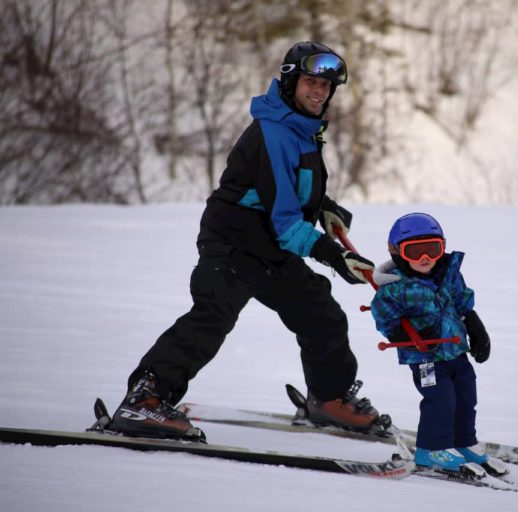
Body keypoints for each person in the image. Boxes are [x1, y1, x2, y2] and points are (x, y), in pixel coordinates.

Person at [108, 41, 383, 441]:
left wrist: (323, 207)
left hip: (271, 246)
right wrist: (334, 256)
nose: (319, 92)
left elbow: (285, 190)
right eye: (311, 82)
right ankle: (144, 402)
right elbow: (286, 219)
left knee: (320, 313)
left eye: (326, 86)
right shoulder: (274, 132)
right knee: (213, 314)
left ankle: (328, 400)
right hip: (235, 241)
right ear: (290, 82)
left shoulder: (301, 128)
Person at [370, 213, 493, 473]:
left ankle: (463, 442)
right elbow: (383, 314)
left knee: (465, 395)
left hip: (456, 350)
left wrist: (475, 325)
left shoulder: (448, 275)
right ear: (397, 253)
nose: (425, 258)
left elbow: (462, 302)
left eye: (432, 249)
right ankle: (432, 449)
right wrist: (401, 337)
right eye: (415, 251)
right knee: (441, 399)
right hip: (425, 357)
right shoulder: (395, 289)